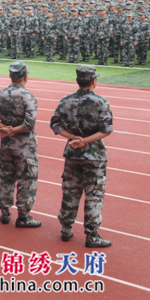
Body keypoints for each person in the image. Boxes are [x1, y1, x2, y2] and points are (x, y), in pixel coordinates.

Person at [50, 65, 113, 248]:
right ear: (94, 81)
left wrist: (74, 138)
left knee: (70, 191)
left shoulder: (66, 101)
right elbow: (106, 130)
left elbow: (55, 124)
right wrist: (85, 140)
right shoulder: (101, 102)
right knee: (94, 193)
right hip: (94, 155)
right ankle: (92, 235)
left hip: (73, 152)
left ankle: (66, 228)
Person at [0, 62, 41, 228]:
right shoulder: (28, 96)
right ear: (25, 77)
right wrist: (13, 130)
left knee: (6, 176)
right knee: (26, 179)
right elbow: (29, 124)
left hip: (6, 146)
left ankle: (4, 211)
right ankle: (23, 216)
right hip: (25, 147)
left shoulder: (0, 94)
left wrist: (4, 129)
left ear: (11, 76)